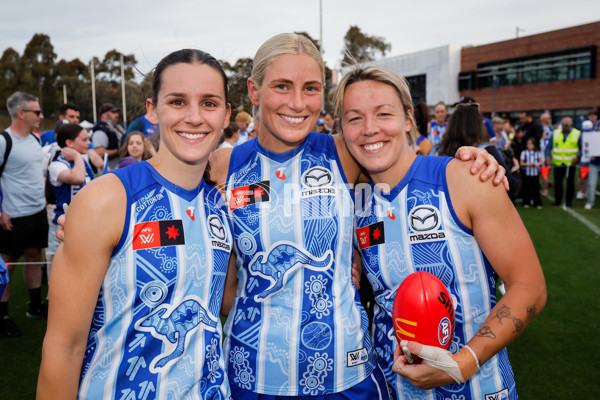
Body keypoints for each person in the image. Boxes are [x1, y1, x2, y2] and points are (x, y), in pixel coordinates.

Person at [210, 33, 506, 400]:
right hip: (249, 373)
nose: (297, 103)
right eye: (282, 86)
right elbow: (222, 285)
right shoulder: (221, 165)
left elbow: (401, 157)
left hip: (345, 375)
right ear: (254, 92)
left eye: (311, 88)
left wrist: (470, 158)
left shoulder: (345, 152)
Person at [333, 64, 546, 400]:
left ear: (407, 120)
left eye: (383, 113)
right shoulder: (353, 201)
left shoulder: (465, 178)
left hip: (480, 389)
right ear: (341, 130)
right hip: (393, 391)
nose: (369, 129)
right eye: (354, 118)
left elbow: (530, 288)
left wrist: (465, 361)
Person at [37, 49, 233, 399]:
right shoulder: (108, 198)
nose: (193, 116)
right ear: (151, 110)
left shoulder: (221, 203)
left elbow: (225, 301)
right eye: (177, 101)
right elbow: (63, 347)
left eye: (209, 103)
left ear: (226, 114)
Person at [0, 91, 48, 338]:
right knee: (6, 264)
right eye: (36, 112)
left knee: (34, 256)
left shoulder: (36, 140)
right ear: (21, 113)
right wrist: (1, 210)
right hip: (13, 216)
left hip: (38, 212)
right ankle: (3, 315)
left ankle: (35, 306)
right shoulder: (3, 141)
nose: (41, 116)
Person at [438, 103, 521, 203]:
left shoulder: (441, 151)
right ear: (478, 125)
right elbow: (509, 186)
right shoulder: (487, 151)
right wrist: (516, 171)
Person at [46, 123, 95, 274]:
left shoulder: (81, 161)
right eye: (84, 139)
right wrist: (76, 156)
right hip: (62, 225)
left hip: (86, 223)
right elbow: (77, 178)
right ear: (69, 143)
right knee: (60, 270)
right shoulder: (56, 165)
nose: (89, 143)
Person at [551, 116, 581, 207]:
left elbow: (582, 147)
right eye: (564, 125)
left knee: (570, 183)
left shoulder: (577, 134)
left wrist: (578, 157)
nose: (566, 127)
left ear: (571, 125)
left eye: (567, 125)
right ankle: (558, 199)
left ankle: (569, 201)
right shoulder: (555, 133)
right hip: (558, 163)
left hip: (570, 163)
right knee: (557, 182)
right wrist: (546, 156)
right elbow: (549, 146)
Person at [91, 103, 123, 170]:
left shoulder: (115, 127)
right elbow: (99, 152)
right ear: (104, 114)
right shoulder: (100, 130)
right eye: (113, 112)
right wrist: (118, 151)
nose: (117, 115)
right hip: (108, 170)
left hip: (117, 168)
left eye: (117, 112)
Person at [520, 137, 543, 208]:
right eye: (528, 144)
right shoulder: (524, 153)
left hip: (535, 173)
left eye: (531, 144)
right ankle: (526, 202)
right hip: (527, 173)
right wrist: (529, 164)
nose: (530, 145)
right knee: (526, 188)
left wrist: (537, 164)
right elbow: (522, 163)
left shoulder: (537, 152)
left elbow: (540, 161)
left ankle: (537, 202)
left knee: (536, 188)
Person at [582, 120, 600, 210]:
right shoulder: (592, 136)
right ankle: (589, 202)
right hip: (594, 162)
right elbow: (586, 148)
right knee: (591, 183)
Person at [539, 112, 554, 196]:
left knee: (548, 171)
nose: (550, 120)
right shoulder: (541, 128)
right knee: (544, 172)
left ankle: (546, 187)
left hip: (549, 152)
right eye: (548, 118)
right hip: (543, 154)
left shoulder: (550, 127)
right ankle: (544, 188)